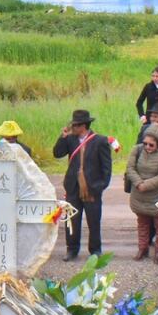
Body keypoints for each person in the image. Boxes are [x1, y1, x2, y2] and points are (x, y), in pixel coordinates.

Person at [53, 109, 112, 260]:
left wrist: (100, 186)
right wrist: (62, 137)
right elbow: (57, 153)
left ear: (83, 126)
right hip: (73, 186)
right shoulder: (70, 139)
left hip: (92, 188)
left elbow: (106, 168)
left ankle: (95, 250)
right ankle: (72, 249)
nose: (73, 128)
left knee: (93, 220)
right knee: (72, 220)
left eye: (76, 125)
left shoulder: (99, 140)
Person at [126, 125, 158, 262]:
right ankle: (142, 249)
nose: (147, 147)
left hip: (157, 195)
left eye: (151, 145)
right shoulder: (137, 149)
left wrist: (145, 185)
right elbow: (130, 168)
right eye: (145, 143)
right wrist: (139, 183)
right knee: (142, 223)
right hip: (139, 194)